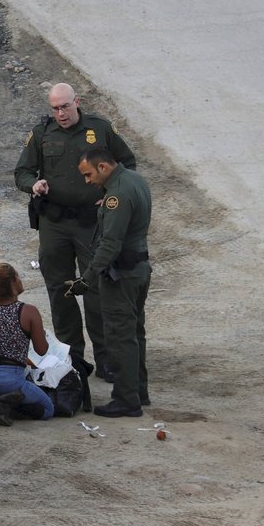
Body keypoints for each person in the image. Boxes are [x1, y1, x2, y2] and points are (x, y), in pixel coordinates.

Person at [14, 83, 137, 384]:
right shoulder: (42, 134)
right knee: (61, 291)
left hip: (91, 222)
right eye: (54, 108)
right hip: (54, 223)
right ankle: (74, 360)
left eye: (65, 107)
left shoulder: (100, 129)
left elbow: (128, 163)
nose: (60, 113)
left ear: (76, 102)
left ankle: (107, 359)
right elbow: (22, 172)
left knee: (96, 289)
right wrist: (34, 185)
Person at [72, 147, 151, 417]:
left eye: (88, 174)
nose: (87, 181)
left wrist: (87, 277)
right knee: (135, 333)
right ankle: (138, 390)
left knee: (119, 337)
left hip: (122, 276)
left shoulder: (116, 195)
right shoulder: (135, 179)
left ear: (103, 167)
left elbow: (110, 245)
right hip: (139, 269)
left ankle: (127, 400)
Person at [0, 263, 55, 426]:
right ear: (13, 283)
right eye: (18, 277)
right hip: (8, 379)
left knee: (0, 386)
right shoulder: (29, 311)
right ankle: (1, 405)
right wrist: (41, 334)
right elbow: (42, 350)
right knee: (47, 408)